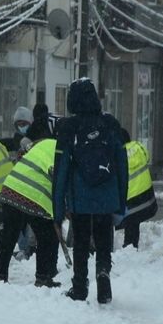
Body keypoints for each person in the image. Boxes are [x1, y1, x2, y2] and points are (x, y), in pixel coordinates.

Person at [53, 79, 128, 303]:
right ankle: (103, 274)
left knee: (81, 242)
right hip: (107, 197)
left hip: (81, 199)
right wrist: (121, 201)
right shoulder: (111, 125)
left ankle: (80, 285)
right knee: (104, 239)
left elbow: (61, 171)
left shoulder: (69, 129)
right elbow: (122, 165)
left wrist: (57, 210)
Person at [0, 117, 58, 286]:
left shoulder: (39, 143)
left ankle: (0, 276)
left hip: (12, 187)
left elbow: (21, 156)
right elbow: (59, 178)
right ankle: (43, 278)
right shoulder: (61, 150)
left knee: (9, 235)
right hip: (34, 195)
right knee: (47, 236)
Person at [114, 127, 158, 249]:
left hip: (130, 197)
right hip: (146, 195)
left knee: (130, 223)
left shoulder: (118, 154)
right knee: (134, 223)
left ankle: (129, 246)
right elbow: (147, 157)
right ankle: (132, 245)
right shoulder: (139, 147)